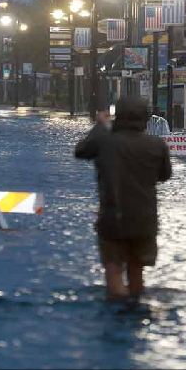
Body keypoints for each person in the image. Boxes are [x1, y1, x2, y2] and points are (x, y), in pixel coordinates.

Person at [74, 97, 172, 301]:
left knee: (113, 266)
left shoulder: (106, 142)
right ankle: (134, 306)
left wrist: (100, 126)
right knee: (137, 269)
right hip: (145, 219)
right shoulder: (156, 145)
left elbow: (81, 151)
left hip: (112, 216)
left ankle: (117, 303)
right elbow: (164, 175)